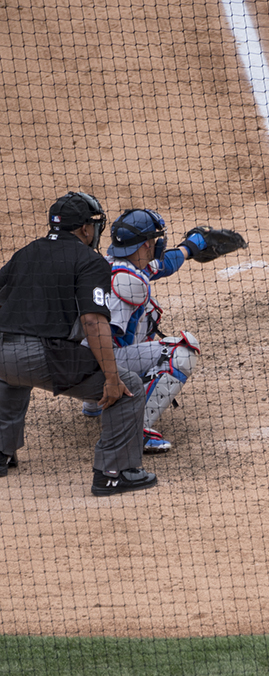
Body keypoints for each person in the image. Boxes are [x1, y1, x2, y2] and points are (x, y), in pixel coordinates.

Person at [0, 191, 156, 495]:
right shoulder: (89, 261)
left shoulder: (26, 252)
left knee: (9, 377)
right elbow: (93, 321)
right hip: (40, 358)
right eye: (94, 224)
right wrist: (112, 378)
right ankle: (114, 473)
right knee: (128, 387)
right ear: (84, 229)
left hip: (2, 353)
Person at [81, 209, 205, 454]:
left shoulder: (107, 265)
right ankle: (137, 429)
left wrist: (188, 248)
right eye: (156, 240)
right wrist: (110, 378)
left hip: (70, 360)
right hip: (95, 367)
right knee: (182, 350)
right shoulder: (130, 283)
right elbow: (101, 332)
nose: (158, 244)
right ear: (147, 244)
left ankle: (93, 404)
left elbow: (162, 265)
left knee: (144, 316)